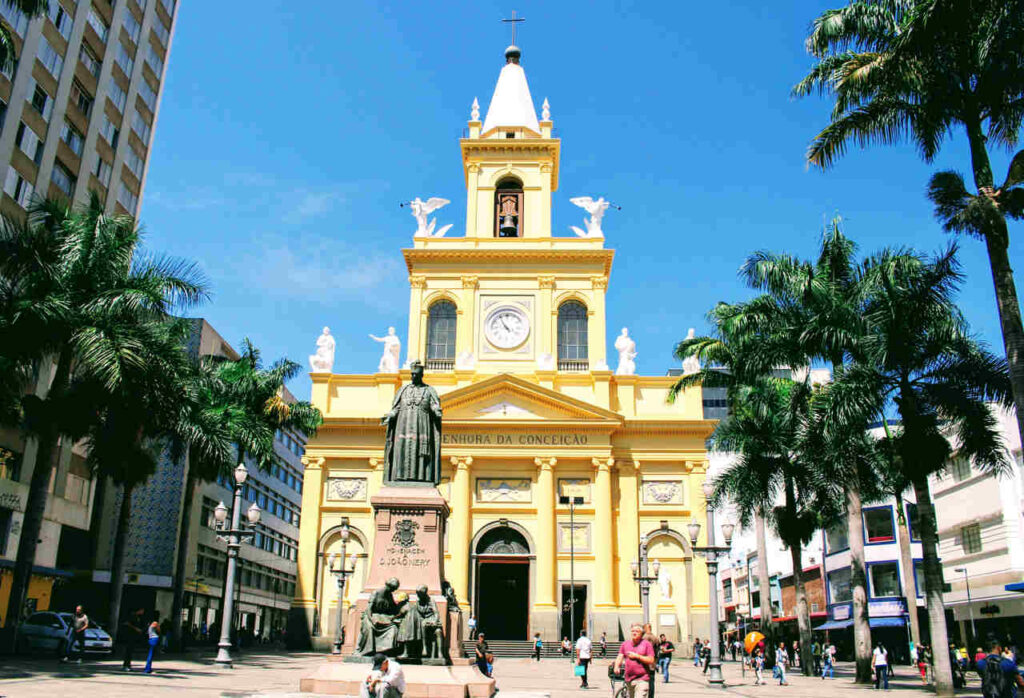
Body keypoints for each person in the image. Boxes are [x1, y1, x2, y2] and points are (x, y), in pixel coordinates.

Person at [614, 623, 655, 698]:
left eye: (637, 631)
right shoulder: (625, 644)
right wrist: (616, 666)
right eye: (632, 631)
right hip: (628, 679)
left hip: (642, 679)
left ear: (641, 633)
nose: (634, 633)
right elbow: (620, 656)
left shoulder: (647, 644)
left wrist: (637, 656)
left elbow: (651, 660)